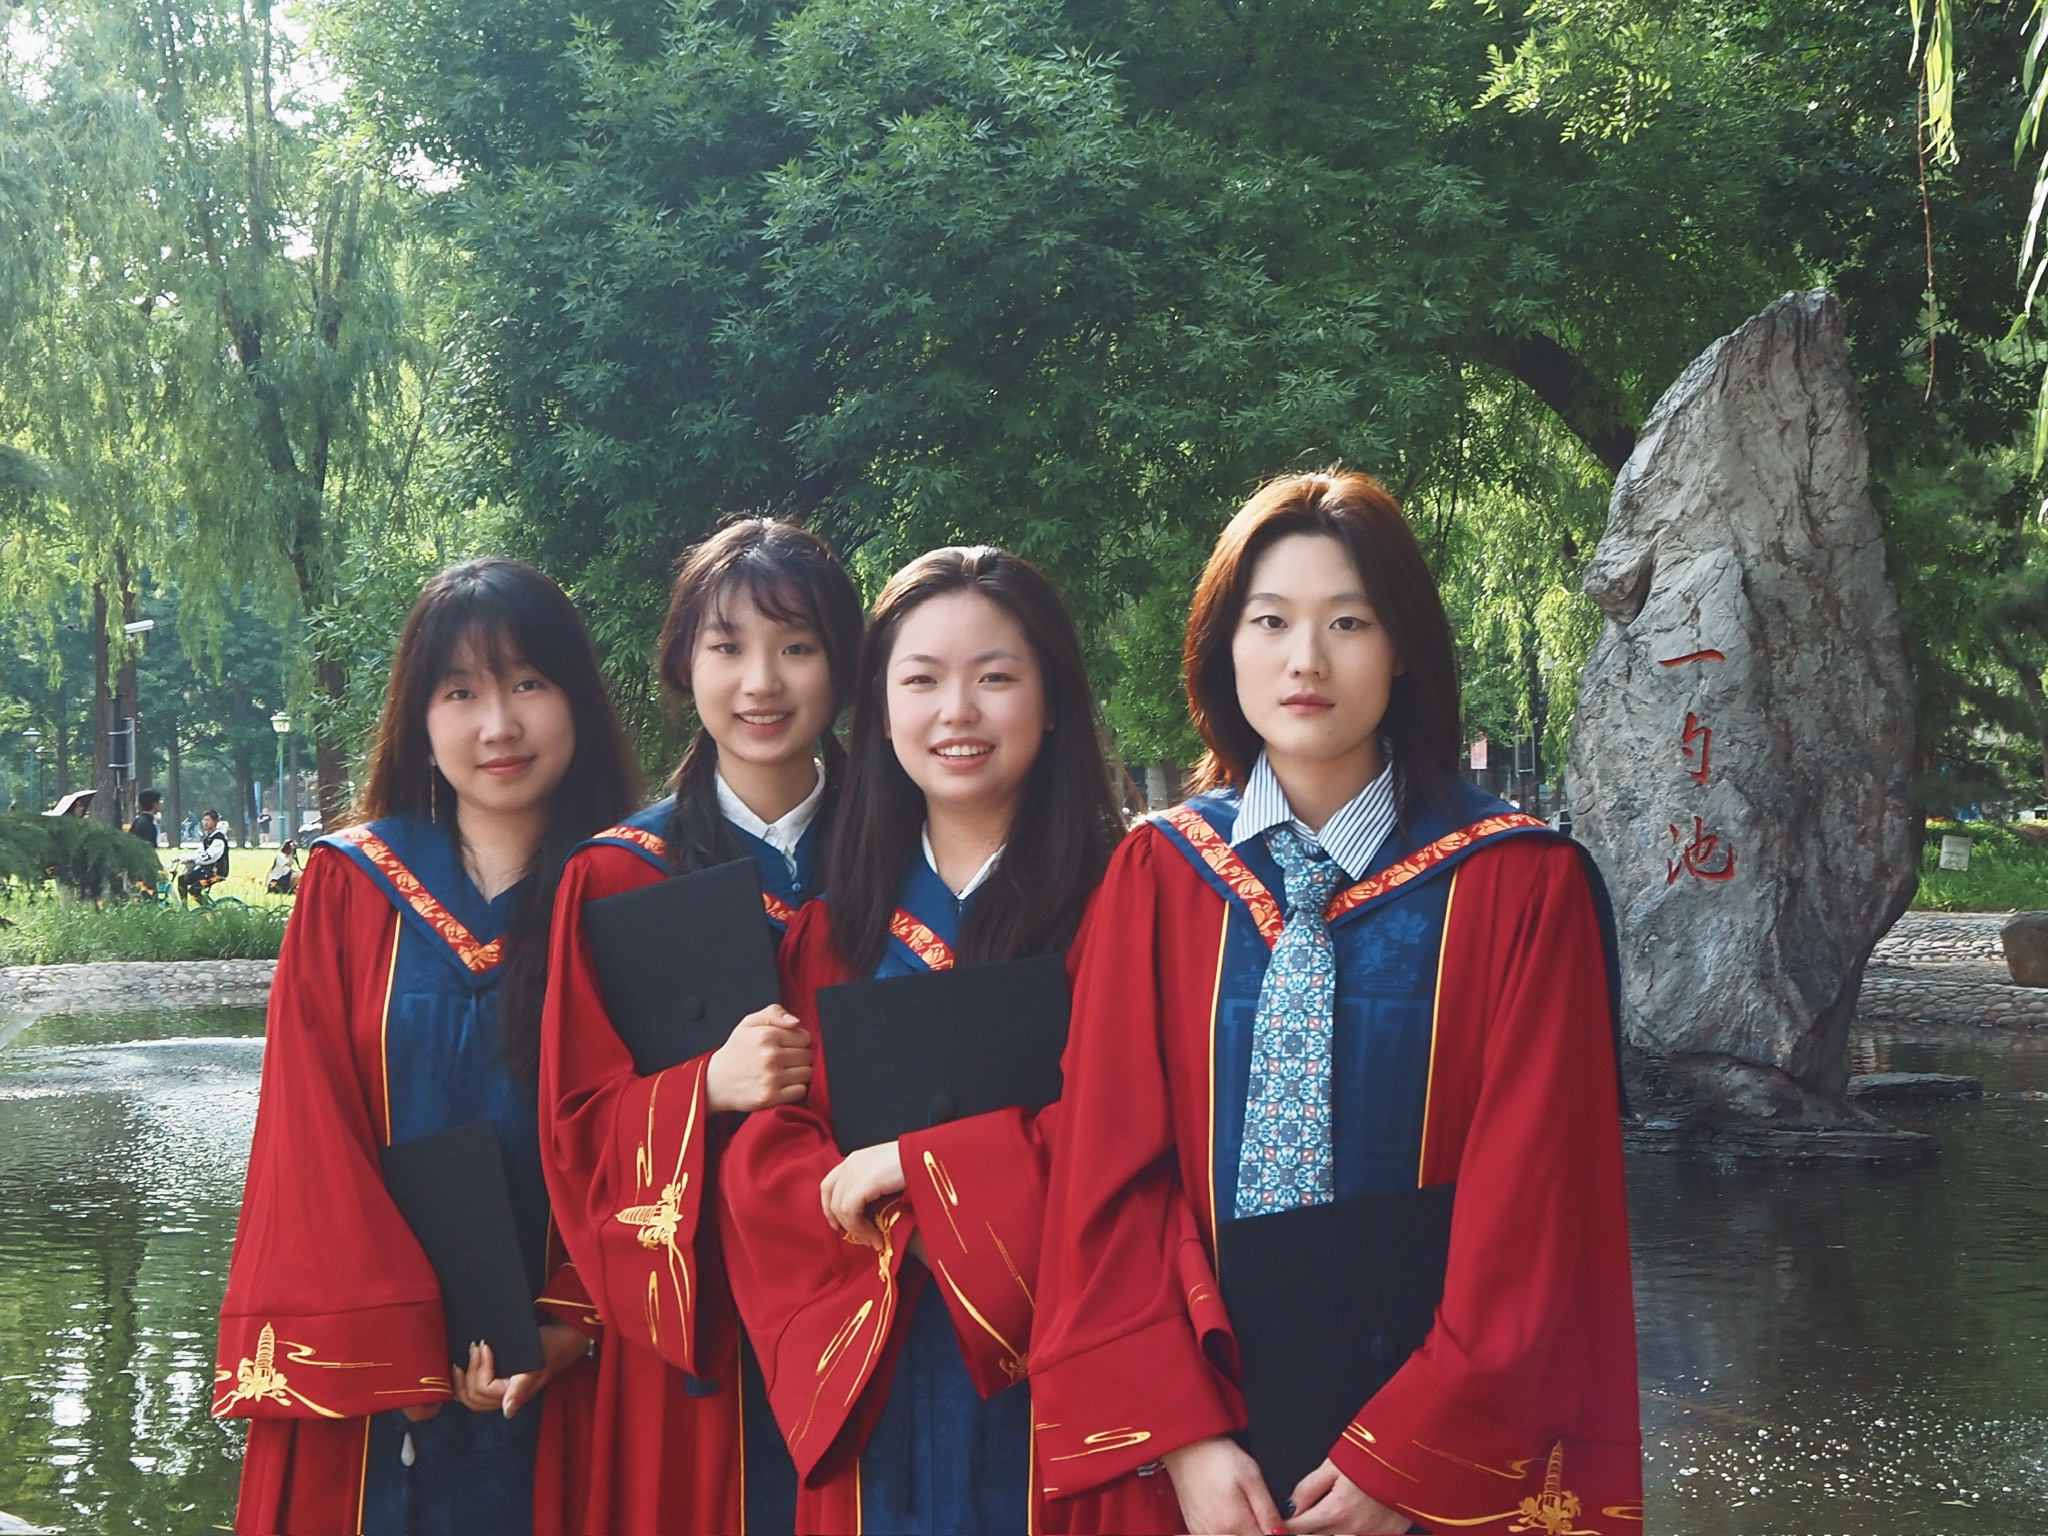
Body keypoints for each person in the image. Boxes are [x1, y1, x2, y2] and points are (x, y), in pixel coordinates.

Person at [1030, 471, 1641, 1536]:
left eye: (1347, 622)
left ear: (1400, 648)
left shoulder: (1516, 884)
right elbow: (1105, 1176)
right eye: (1269, 621)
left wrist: (1409, 1460)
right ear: (1224, 647)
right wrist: (1183, 1438)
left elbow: (1538, 1203)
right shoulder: (1159, 877)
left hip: (1429, 1464)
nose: (1304, 660)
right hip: (1196, 1455)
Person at [212, 558, 642, 1536]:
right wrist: (397, 1351)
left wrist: (571, 1321)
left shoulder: (632, 890)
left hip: (579, 1363)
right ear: (419, 717)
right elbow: (307, 1137)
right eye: (461, 693)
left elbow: (666, 1132)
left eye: (528, 683)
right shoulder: (351, 888)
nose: (499, 725)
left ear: (576, 699)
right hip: (379, 1385)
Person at [719, 546, 1126, 1535]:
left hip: (1065, 1382)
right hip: (878, 1378)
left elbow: (1135, 1136)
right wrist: (867, 1210)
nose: (957, 713)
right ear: (880, 707)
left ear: (1052, 701)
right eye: (921, 680)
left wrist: (922, 1168)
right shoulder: (835, 932)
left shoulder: (1121, 910)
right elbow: (771, 1150)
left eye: (995, 678)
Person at [537, 517, 863, 1535]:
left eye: (796, 646)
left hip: (878, 1312)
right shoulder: (617, 877)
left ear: (843, 666)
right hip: (695, 1330)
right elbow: (573, 1127)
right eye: (727, 647)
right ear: (683, 664)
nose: (761, 682)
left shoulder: (904, 862)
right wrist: (702, 1090)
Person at [178, 811, 230, 902]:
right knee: (182, 879)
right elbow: (199, 852)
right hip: (206, 871)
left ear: (215, 822)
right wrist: (185, 858)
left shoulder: (219, 839)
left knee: (194, 890)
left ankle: (208, 909)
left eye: (208, 820)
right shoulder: (207, 837)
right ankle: (183, 907)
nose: (205, 823)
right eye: (204, 820)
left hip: (216, 873)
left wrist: (193, 860)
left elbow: (210, 856)